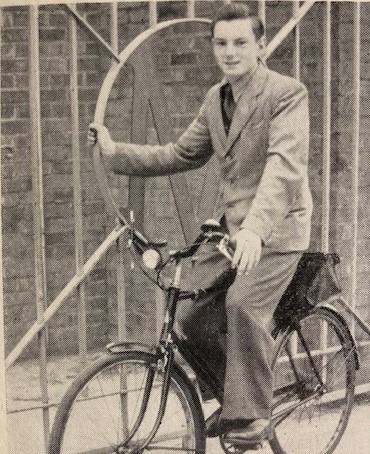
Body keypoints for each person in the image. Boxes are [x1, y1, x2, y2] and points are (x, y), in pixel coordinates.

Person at [88, 2, 312, 445]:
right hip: (234, 231)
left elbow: (284, 167)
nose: (230, 53)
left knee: (243, 305)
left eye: (241, 43)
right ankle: (234, 404)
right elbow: (179, 153)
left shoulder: (287, 94)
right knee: (190, 316)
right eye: (221, 44)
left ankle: (253, 416)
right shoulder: (216, 99)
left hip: (277, 230)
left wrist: (255, 229)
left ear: (260, 45)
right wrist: (115, 153)